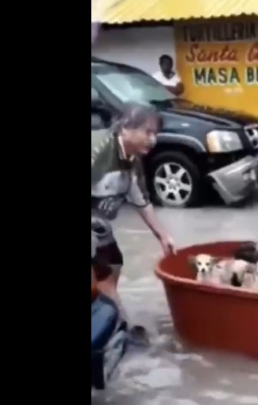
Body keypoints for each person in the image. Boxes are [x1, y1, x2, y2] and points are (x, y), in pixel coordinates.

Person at [91, 103, 176, 343]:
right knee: (101, 273)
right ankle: (121, 324)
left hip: (99, 226)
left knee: (114, 263)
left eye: (155, 133)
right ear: (126, 128)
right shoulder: (97, 151)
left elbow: (141, 201)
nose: (153, 139)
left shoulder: (132, 160)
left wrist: (163, 236)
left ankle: (107, 316)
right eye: (148, 132)